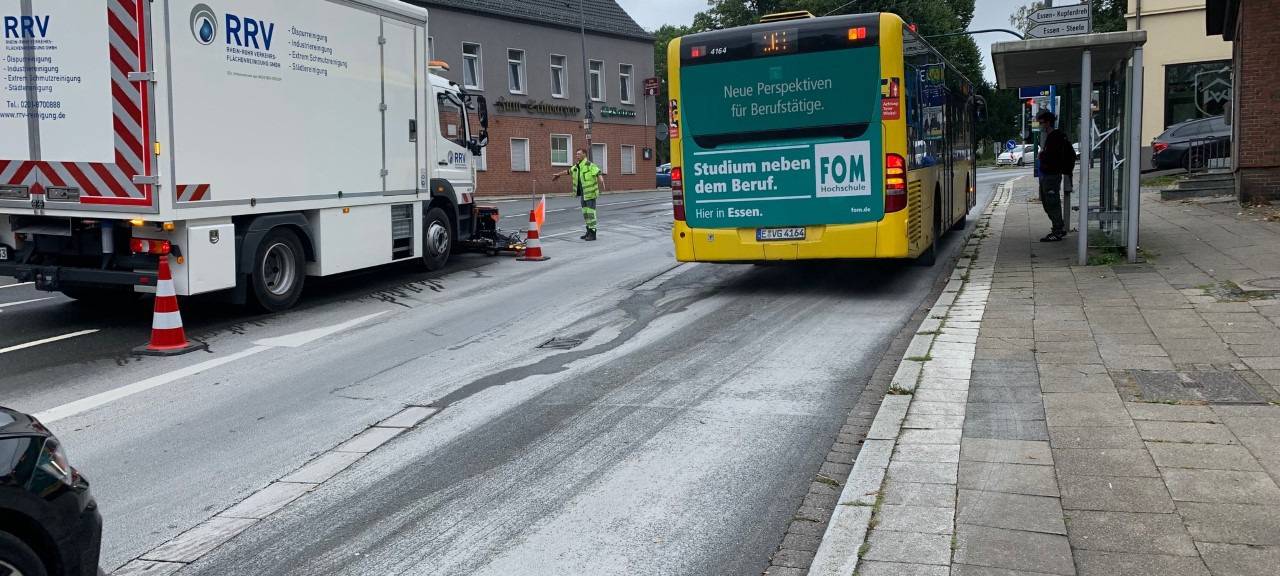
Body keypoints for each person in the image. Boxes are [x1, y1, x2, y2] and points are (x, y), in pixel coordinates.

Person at [1034, 110, 1075, 242]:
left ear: (1048, 123)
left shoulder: (1055, 137)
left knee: (1052, 203)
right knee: (1048, 202)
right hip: (1049, 175)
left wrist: (1042, 155)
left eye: (1041, 123)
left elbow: (1053, 157)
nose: (1040, 125)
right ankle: (1058, 228)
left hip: (1051, 175)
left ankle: (1057, 230)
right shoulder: (1052, 137)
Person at [552, 148, 604, 241]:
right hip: (583, 194)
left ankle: (593, 233)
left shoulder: (589, 165)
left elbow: (598, 172)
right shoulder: (577, 166)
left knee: (591, 213)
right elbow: (568, 171)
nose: (577, 156)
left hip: (590, 193)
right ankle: (588, 231)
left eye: (579, 154)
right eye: (576, 154)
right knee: (585, 213)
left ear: (584, 154)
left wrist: (601, 179)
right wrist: (558, 174)